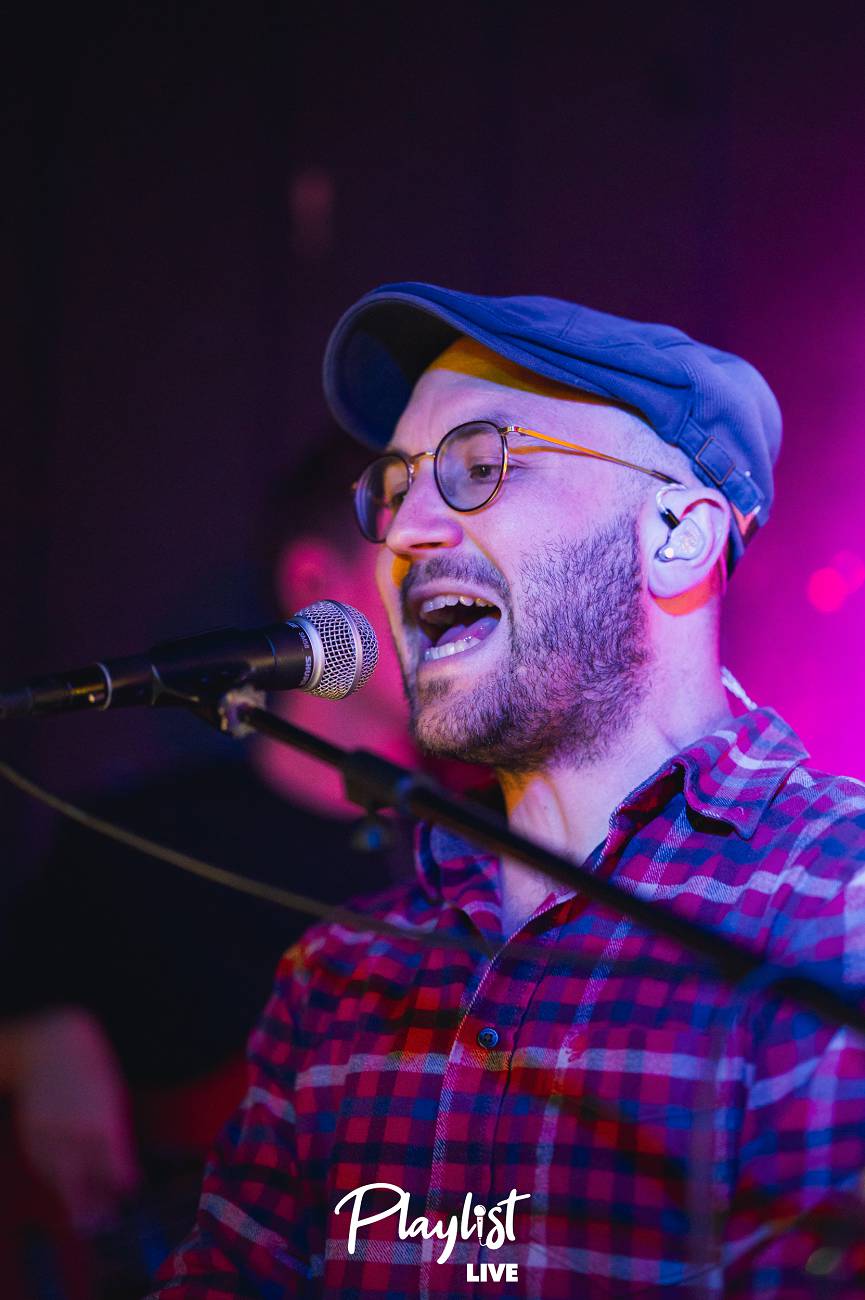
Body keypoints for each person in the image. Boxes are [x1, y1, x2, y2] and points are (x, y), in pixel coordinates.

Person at [151, 283, 865, 1297]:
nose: (405, 531)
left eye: (480, 466)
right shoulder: (342, 973)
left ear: (676, 534)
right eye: (393, 486)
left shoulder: (836, 902)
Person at [0, 439, 417, 1297]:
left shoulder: (491, 853)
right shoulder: (139, 836)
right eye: (412, 556)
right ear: (314, 583)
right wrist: (34, 1038)